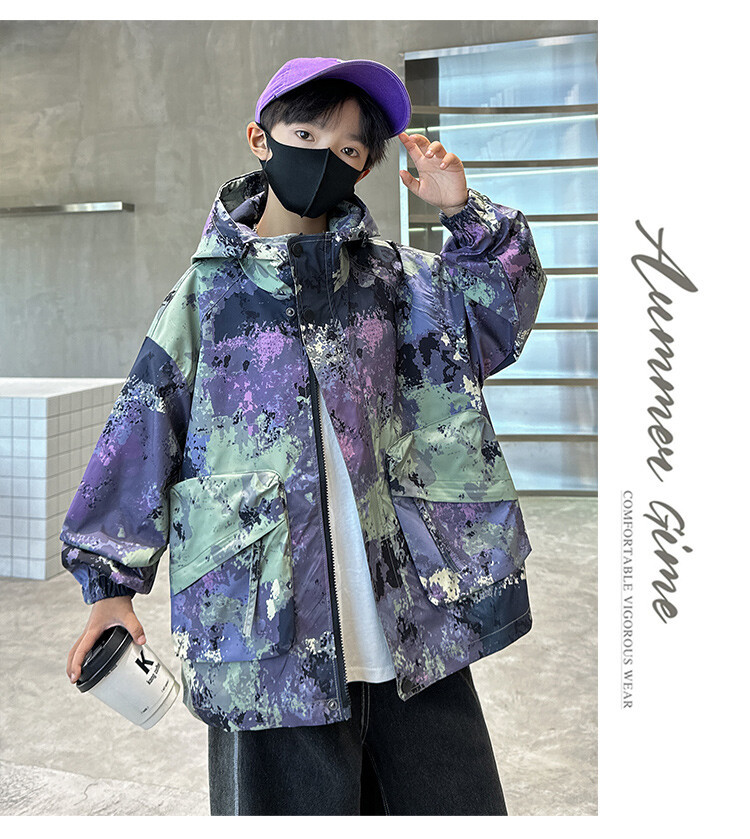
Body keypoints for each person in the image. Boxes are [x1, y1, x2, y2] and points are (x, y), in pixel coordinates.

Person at [61, 56, 547, 816]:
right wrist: (110, 589)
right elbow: (144, 427)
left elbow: (498, 317)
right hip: (267, 640)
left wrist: (464, 212)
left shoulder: (399, 283)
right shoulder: (207, 295)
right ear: (262, 140)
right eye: (306, 134)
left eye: (349, 148)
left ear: (364, 168)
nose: (325, 156)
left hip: (414, 624)